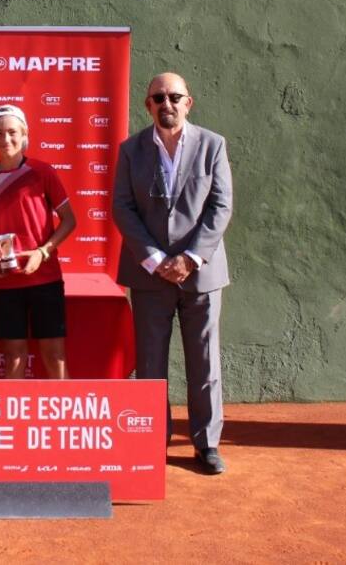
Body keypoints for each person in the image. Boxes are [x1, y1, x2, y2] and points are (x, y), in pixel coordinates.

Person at [112, 72, 234, 475]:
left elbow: (220, 208)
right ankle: (151, 442)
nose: (167, 103)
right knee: (150, 364)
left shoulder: (212, 146)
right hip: (150, 276)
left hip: (200, 274)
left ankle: (207, 444)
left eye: (174, 97)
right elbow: (122, 208)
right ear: (147, 105)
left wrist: (189, 259)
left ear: (188, 102)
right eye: (158, 97)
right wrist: (153, 258)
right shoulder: (130, 151)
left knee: (204, 363)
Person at [0, 105, 77, 379]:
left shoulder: (43, 172)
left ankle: (63, 421)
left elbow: (69, 220)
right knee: (13, 357)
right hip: (6, 282)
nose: (6, 139)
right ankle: (15, 421)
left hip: (45, 278)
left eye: (12, 132)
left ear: (24, 134)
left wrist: (42, 252)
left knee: (55, 356)